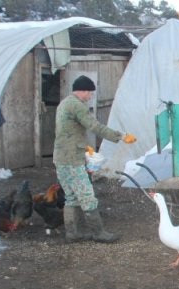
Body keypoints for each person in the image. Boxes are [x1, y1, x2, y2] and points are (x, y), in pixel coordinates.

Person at [53, 75, 137, 243]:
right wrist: (120, 136)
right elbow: (95, 126)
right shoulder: (77, 106)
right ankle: (98, 233)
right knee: (87, 196)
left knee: (71, 196)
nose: (90, 96)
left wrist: (83, 146)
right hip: (72, 160)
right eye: (89, 93)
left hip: (61, 157)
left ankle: (72, 233)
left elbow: (66, 131)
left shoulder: (64, 103)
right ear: (82, 91)